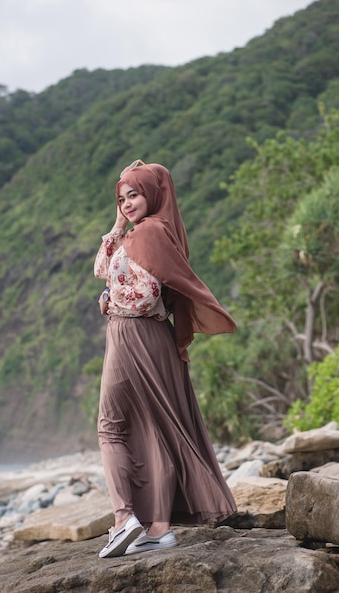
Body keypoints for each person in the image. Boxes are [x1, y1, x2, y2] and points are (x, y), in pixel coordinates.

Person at [94, 160, 237, 559]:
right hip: (149, 337)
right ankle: (158, 529)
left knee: (111, 428)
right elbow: (101, 268)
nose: (126, 204)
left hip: (132, 334)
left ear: (154, 194)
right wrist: (118, 224)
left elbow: (142, 296)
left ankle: (124, 520)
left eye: (134, 195)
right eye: (121, 199)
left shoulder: (150, 234)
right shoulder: (149, 232)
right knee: (155, 429)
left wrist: (110, 301)